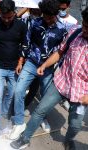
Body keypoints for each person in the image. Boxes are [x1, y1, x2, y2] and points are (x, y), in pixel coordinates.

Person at [10, 6, 88, 150]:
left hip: (82, 93)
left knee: (75, 124)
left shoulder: (63, 28)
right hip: (61, 83)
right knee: (40, 110)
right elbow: (59, 52)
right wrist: (44, 65)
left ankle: (68, 140)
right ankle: (25, 137)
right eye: (84, 25)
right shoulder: (74, 32)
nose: (84, 30)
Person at [9, 0, 67, 140]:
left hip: (48, 68)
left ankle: (42, 118)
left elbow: (61, 52)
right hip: (31, 63)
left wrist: (57, 68)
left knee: (45, 96)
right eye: (45, 16)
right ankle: (18, 122)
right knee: (18, 90)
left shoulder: (62, 29)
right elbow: (27, 43)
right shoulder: (35, 24)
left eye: (50, 17)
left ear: (56, 14)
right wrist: (20, 61)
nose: (47, 19)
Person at [0, 0, 27, 135]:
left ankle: (3, 113)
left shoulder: (21, 25)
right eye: (4, 17)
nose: (7, 20)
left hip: (14, 67)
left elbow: (24, 45)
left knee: (13, 93)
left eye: (10, 17)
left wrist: (20, 62)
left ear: (14, 13)